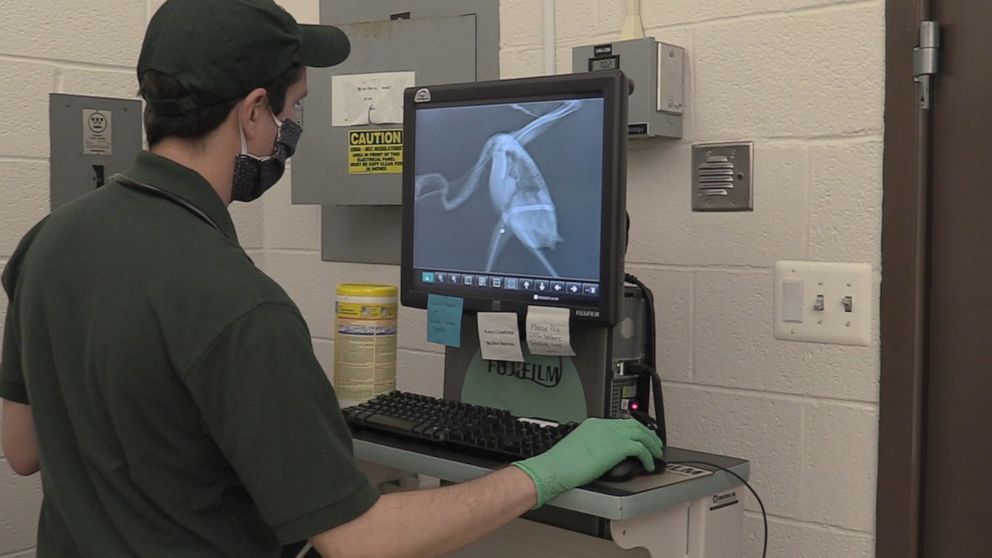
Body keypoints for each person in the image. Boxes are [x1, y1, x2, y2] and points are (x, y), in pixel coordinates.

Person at [0, 1, 663, 556]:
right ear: (254, 112)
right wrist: (545, 471)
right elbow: (357, 540)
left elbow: (24, 450)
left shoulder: (48, 242)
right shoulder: (237, 302)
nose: (292, 129)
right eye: (295, 107)